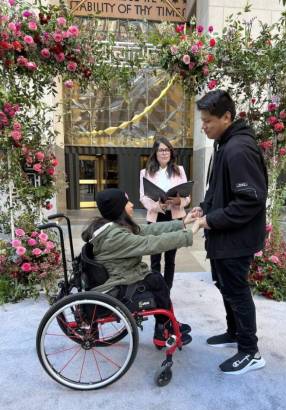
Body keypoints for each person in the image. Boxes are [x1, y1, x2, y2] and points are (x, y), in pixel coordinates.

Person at [191, 89, 268, 375]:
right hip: (225, 236)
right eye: (202, 120)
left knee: (237, 292)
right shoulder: (225, 144)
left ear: (227, 117)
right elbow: (219, 190)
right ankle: (234, 332)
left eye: (209, 121)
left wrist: (211, 221)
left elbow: (249, 200)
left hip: (236, 239)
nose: (204, 126)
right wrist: (202, 208)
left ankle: (250, 351)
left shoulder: (238, 149)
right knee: (226, 288)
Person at [81, 188, 200, 345]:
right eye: (127, 202)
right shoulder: (115, 236)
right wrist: (189, 234)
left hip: (121, 273)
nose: (131, 204)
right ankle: (163, 330)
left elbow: (148, 230)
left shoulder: (112, 227)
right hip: (118, 283)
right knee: (156, 281)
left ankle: (166, 324)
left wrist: (183, 223)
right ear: (119, 208)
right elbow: (150, 243)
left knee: (155, 278)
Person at [140, 137, 191, 289]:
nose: (164, 153)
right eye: (161, 150)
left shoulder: (179, 170)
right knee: (155, 257)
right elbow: (143, 197)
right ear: (155, 153)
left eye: (167, 149)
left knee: (170, 258)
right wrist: (158, 205)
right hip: (156, 217)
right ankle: (156, 290)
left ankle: (167, 291)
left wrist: (179, 202)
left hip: (174, 217)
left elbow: (187, 196)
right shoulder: (145, 172)